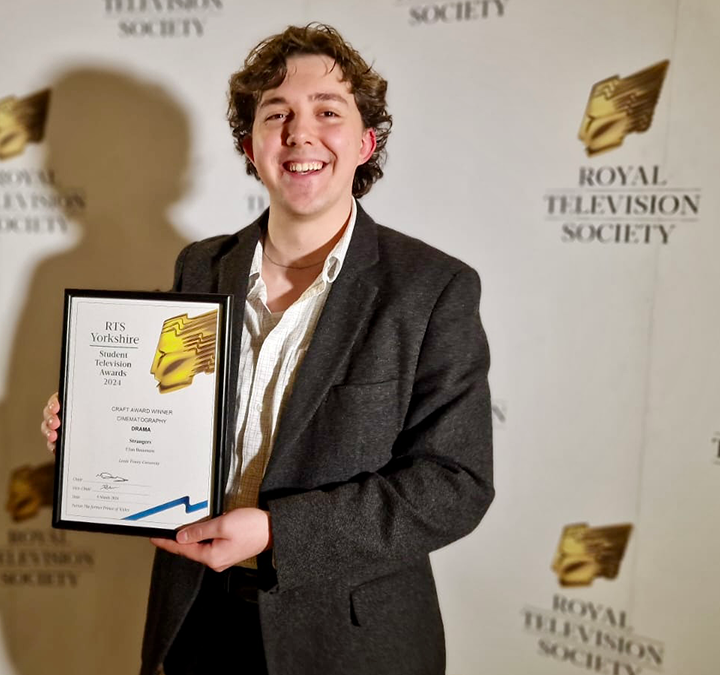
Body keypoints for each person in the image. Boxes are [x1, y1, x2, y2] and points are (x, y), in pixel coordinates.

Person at [43, 23, 493, 675]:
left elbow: (454, 483)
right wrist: (89, 422)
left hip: (348, 640)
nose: (300, 133)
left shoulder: (431, 287)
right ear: (249, 146)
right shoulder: (200, 268)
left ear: (366, 143)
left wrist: (280, 531)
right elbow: (165, 403)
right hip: (198, 620)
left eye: (328, 113)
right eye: (276, 114)